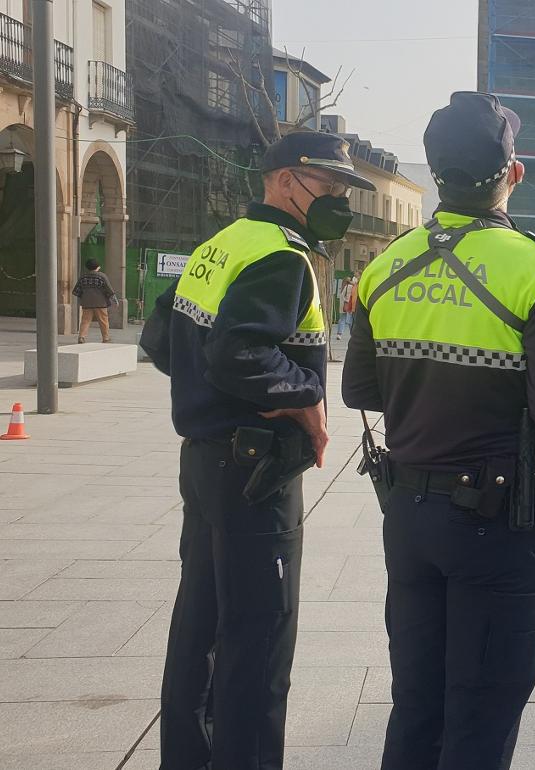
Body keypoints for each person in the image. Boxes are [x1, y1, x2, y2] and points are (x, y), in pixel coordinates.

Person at [341, 92, 535, 770]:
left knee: (418, 704)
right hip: (499, 521)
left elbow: (359, 390)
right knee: (481, 714)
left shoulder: (386, 266)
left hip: (409, 516)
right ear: (512, 173)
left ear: (437, 174)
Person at [139, 131, 376, 770]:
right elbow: (238, 351)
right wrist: (304, 396)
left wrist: (207, 396)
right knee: (260, 638)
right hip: (254, 472)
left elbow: (162, 339)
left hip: (205, 458)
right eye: (326, 185)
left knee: (200, 626)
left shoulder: (219, 247)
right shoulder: (282, 257)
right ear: (281, 180)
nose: (337, 200)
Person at [72, 258, 116, 343]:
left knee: (85, 320)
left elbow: (76, 291)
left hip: (86, 303)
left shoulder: (83, 277)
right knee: (103, 320)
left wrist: (84, 296)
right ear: (98, 267)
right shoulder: (102, 276)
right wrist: (113, 298)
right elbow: (109, 289)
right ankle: (105, 338)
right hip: (101, 303)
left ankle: (81, 337)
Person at [336, 273, 357, 340]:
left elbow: (342, 296)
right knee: (350, 321)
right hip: (349, 305)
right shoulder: (352, 287)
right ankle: (353, 335)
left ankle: (339, 334)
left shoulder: (344, 286)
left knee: (342, 319)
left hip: (343, 305)